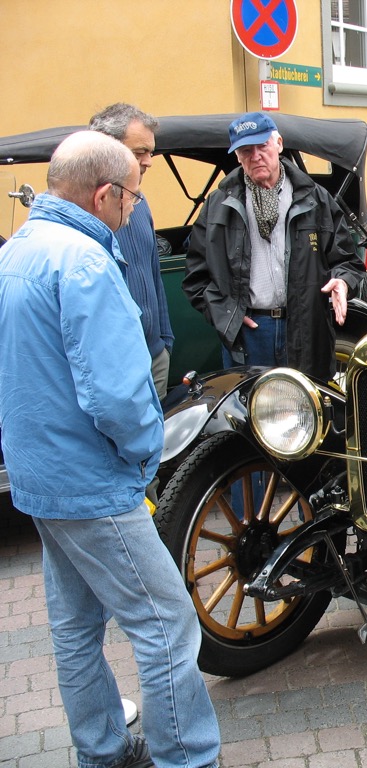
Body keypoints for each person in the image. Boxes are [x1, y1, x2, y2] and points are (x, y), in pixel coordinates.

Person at [0, 131, 220, 768]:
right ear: (105, 194)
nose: (133, 208)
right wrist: (145, 456)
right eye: (132, 194)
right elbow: (119, 399)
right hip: (91, 479)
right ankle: (187, 758)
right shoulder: (88, 264)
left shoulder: (19, 250)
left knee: (75, 628)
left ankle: (100, 750)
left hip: (39, 472)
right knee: (167, 623)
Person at [183, 111, 366, 380]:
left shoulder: (314, 198)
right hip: (250, 332)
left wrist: (342, 282)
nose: (256, 155)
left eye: (262, 146)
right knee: (251, 414)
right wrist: (228, 316)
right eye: (246, 150)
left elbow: (347, 260)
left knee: (307, 412)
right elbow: (195, 278)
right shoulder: (218, 206)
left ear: (278, 144)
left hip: (304, 328)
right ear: (237, 156)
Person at [89, 103, 175, 399]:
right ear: (107, 148)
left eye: (150, 152)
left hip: (153, 353)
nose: (149, 161)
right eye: (140, 152)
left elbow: (152, 274)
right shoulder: (85, 212)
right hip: (116, 365)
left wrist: (164, 340)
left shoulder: (140, 203)